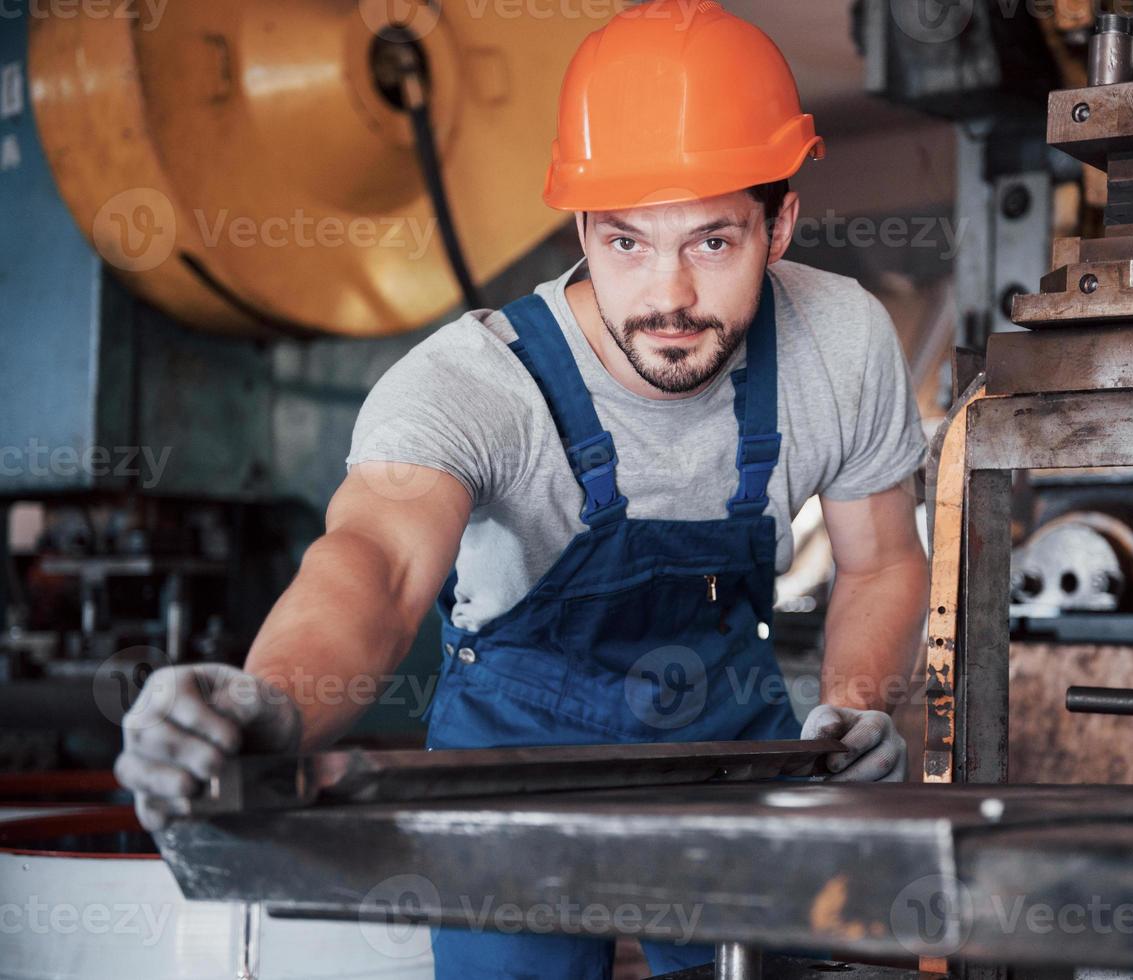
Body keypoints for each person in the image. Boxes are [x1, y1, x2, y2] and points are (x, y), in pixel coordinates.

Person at [114, 2, 930, 976]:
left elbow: (879, 558)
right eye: (627, 242)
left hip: (725, 743)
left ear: (780, 221)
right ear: (584, 225)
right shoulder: (470, 384)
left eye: (712, 241)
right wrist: (270, 704)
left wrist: (850, 706)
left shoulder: (841, 342)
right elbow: (371, 567)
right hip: (512, 753)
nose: (667, 295)